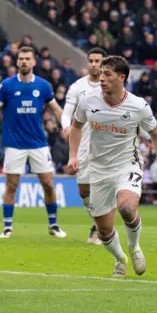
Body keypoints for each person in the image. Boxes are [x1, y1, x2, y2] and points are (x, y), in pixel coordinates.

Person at [68, 55, 157, 278]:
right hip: (98, 169)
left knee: (126, 207)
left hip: (127, 165)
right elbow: (76, 126)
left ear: (121, 78)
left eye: (107, 74)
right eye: (101, 73)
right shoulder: (88, 99)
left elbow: (156, 136)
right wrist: (73, 156)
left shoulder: (137, 106)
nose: (101, 78)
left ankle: (134, 248)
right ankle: (120, 260)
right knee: (104, 230)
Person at [0, 46, 66, 239]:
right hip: (14, 143)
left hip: (38, 142)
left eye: (28, 58)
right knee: (12, 185)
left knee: (48, 183)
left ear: (34, 62)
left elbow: (55, 108)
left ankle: (53, 225)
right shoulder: (7, 85)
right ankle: (7, 227)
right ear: (17, 61)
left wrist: (67, 125)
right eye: (21, 59)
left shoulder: (43, 86)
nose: (24, 62)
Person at [61, 47, 107, 245]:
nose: (95, 65)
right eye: (92, 61)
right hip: (83, 142)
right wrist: (65, 126)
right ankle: (97, 224)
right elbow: (67, 112)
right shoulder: (77, 87)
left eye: (98, 61)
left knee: (102, 187)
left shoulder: (111, 85)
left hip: (106, 142)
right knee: (84, 190)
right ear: (87, 63)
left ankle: (101, 228)